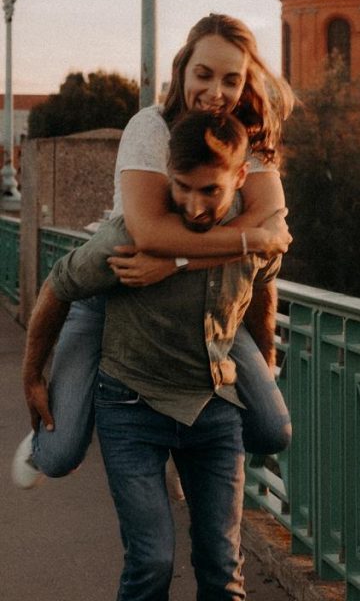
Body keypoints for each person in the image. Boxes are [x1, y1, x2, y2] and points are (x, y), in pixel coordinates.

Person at [13, 14, 294, 488]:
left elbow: (270, 230)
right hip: (118, 283)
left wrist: (177, 262)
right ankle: (104, 407)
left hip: (200, 300)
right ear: (182, 69)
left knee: (270, 429)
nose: (216, 91)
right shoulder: (151, 127)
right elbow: (149, 235)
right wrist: (33, 371)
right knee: (59, 455)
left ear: (246, 81)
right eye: (204, 74)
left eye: (231, 79)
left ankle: (169, 437)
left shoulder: (248, 136)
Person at [22, 110, 278, 600]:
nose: (195, 206)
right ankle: (47, 445)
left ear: (241, 177)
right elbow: (58, 285)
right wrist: (32, 374)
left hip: (214, 408)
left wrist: (264, 361)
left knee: (223, 568)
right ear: (166, 172)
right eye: (182, 187)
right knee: (152, 562)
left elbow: (265, 288)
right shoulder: (129, 236)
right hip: (131, 409)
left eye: (211, 190)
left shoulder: (254, 232)